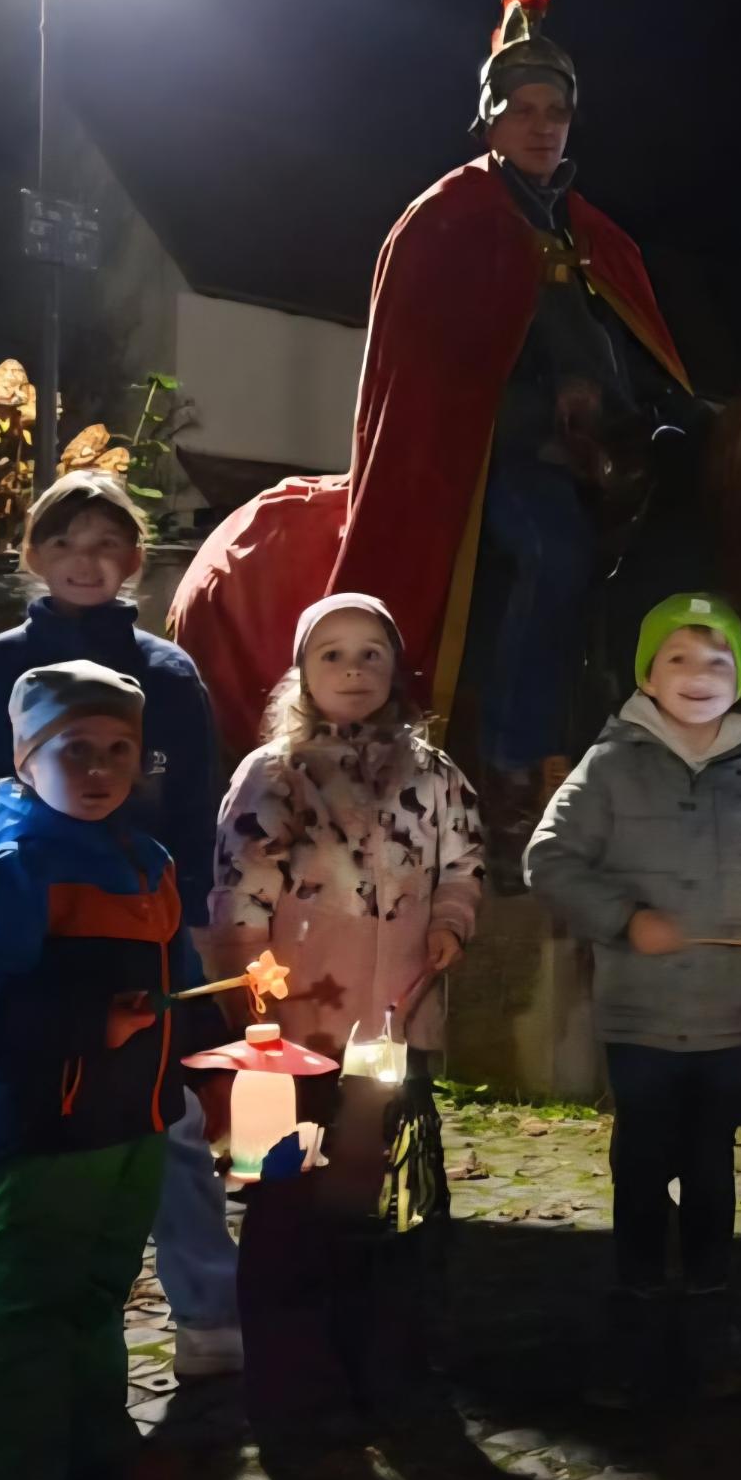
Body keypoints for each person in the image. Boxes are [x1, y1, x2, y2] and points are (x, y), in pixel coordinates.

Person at [323, 0, 703, 871]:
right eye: (524, 109)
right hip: (495, 458)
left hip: (606, 452)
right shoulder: (447, 221)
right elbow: (439, 376)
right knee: (552, 550)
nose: (542, 126)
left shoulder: (597, 236)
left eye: (556, 111)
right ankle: (509, 764)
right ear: (491, 119)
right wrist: (543, 415)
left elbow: (637, 348)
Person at [0, 472, 241, 1379]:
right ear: (34, 556)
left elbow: (195, 811)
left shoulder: (170, 673)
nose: (85, 561)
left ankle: (209, 1314)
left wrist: (184, 923)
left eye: (106, 543)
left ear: (135, 558)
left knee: (168, 1124)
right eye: (65, 543)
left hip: (143, 928)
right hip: (24, 932)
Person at [0, 661, 231, 1480]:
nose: (101, 768)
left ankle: (97, 1444)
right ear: (28, 758)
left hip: (133, 1123)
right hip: (47, 1132)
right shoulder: (14, 862)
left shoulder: (148, 859)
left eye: (120, 749)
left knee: (99, 1293)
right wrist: (81, 1025)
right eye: (75, 749)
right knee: (28, 1301)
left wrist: (212, 1065)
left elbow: (180, 977)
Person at [525, 593, 741, 1406]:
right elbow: (548, 861)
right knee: (641, 1160)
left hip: (737, 1016)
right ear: (647, 674)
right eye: (679, 659)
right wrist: (625, 920)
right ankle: (634, 1309)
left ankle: (709, 1309)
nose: (699, 676)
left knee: (710, 1164)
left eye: (718, 660)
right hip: (643, 1018)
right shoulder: (611, 765)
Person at [204, 592, 484, 1430]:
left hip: (394, 1032)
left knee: (387, 1199)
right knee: (287, 1208)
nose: (354, 670)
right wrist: (250, 998)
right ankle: (294, 1386)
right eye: (333, 654)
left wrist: (449, 922)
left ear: (397, 669)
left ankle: (388, 1366)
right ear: (301, 672)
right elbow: (239, 891)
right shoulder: (272, 775)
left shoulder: (434, 775)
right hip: (289, 1038)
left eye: (371, 653)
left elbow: (463, 864)